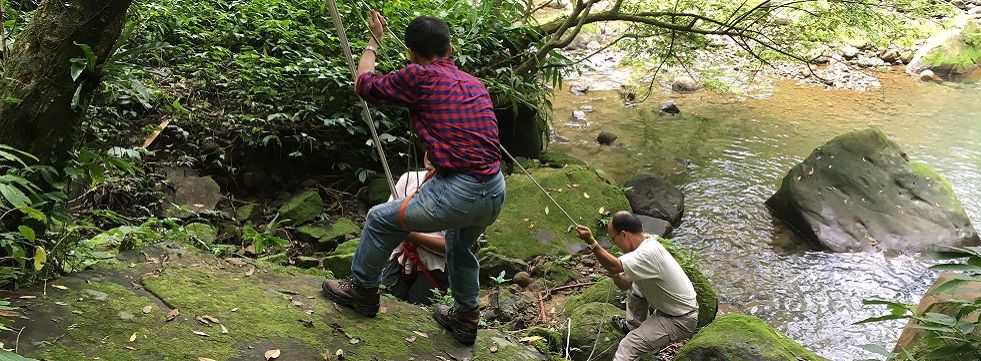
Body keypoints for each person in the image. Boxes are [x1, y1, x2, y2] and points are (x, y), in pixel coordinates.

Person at [321, 11, 506, 346]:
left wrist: (374, 40)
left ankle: (362, 292)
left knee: (379, 220)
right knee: (459, 244)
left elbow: (364, 83)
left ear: (411, 52)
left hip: (459, 192)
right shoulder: (473, 83)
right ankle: (466, 316)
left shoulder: (419, 77)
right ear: (450, 48)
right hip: (494, 189)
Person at [575, 211, 698, 360]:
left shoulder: (648, 253)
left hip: (679, 320)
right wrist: (616, 276)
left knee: (628, 346)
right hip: (670, 310)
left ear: (624, 235)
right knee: (635, 287)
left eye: (613, 239)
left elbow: (614, 266)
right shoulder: (646, 242)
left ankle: (643, 339)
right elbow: (626, 285)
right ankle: (635, 328)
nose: (614, 244)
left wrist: (592, 242)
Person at [381, 155, 449, 305]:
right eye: (428, 147)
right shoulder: (408, 179)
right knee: (383, 301)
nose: (431, 153)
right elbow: (386, 222)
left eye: (438, 148)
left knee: (420, 312)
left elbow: (453, 246)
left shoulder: (459, 194)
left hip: (435, 267)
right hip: (400, 260)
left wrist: (411, 236)